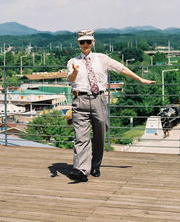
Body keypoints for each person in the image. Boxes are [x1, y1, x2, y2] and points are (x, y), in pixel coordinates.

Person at [67, 29, 156, 182]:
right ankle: (81, 170)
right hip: (80, 100)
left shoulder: (102, 59)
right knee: (81, 137)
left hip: (99, 100)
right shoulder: (73, 61)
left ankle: (95, 165)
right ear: (78, 43)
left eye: (88, 41)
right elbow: (70, 78)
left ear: (93, 42)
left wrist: (139, 79)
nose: (85, 44)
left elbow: (121, 68)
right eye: (82, 42)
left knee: (100, 135)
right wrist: (75, 72)